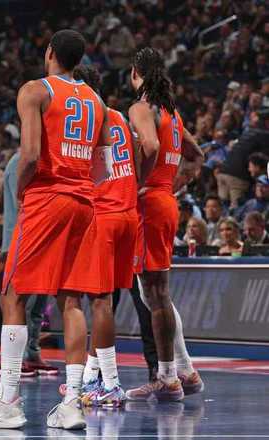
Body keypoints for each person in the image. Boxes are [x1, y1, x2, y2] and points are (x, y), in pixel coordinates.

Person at [0, 29, 114, 430]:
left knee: (13, 293)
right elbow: (104, 167)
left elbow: (29, 153)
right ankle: (72, 404)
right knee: (71, 300)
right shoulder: (98, 102)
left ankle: (8, 400)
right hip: (84, 202)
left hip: (48, 197)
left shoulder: (35, 90)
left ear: (49, 53)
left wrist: (23, 189)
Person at [126, 48, 204, 402]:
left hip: (149, 204)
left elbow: (151, 145)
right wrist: (172, 184)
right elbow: (197, 157)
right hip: (166, 202)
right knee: (154, 293)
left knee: (155, 295)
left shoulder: (141, 108)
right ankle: (185, 370)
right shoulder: (173, 114)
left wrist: (138, 184)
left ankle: (168, 377)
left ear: (135, 73)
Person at [71, 64, 136, 408]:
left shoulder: (89, 118)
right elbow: (143, 152)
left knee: (99, 302)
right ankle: (91, 375)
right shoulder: (120, 116)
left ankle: (111, 383)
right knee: (106, 302)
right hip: (128, 212)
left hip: (104, 214)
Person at [0, 145, 58, 376]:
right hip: (22, 237)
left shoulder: (42, 159)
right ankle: (11, 356)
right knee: (20, 302)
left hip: (41, 237)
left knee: (39, 304)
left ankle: (32, 351)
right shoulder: (20, 161)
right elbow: (21, 206)